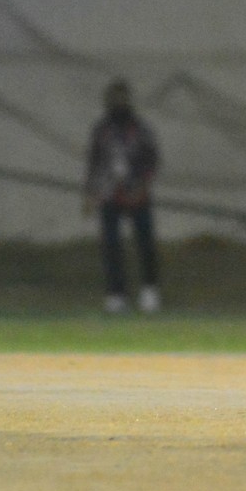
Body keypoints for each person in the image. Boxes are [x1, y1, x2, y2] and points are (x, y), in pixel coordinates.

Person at [82, 78, 163, 314]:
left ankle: (149, 290)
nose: (118, 103)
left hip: (137, 193)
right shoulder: (101, 130)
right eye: (114, 99)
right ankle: (116, 294)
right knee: (111, 245)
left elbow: (152, 160)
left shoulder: (140, 129)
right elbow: (94, 163)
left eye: (122, 98)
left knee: (145, 243)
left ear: (128, 100)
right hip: (109, 194)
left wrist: (143, 186)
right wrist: (90, 193)